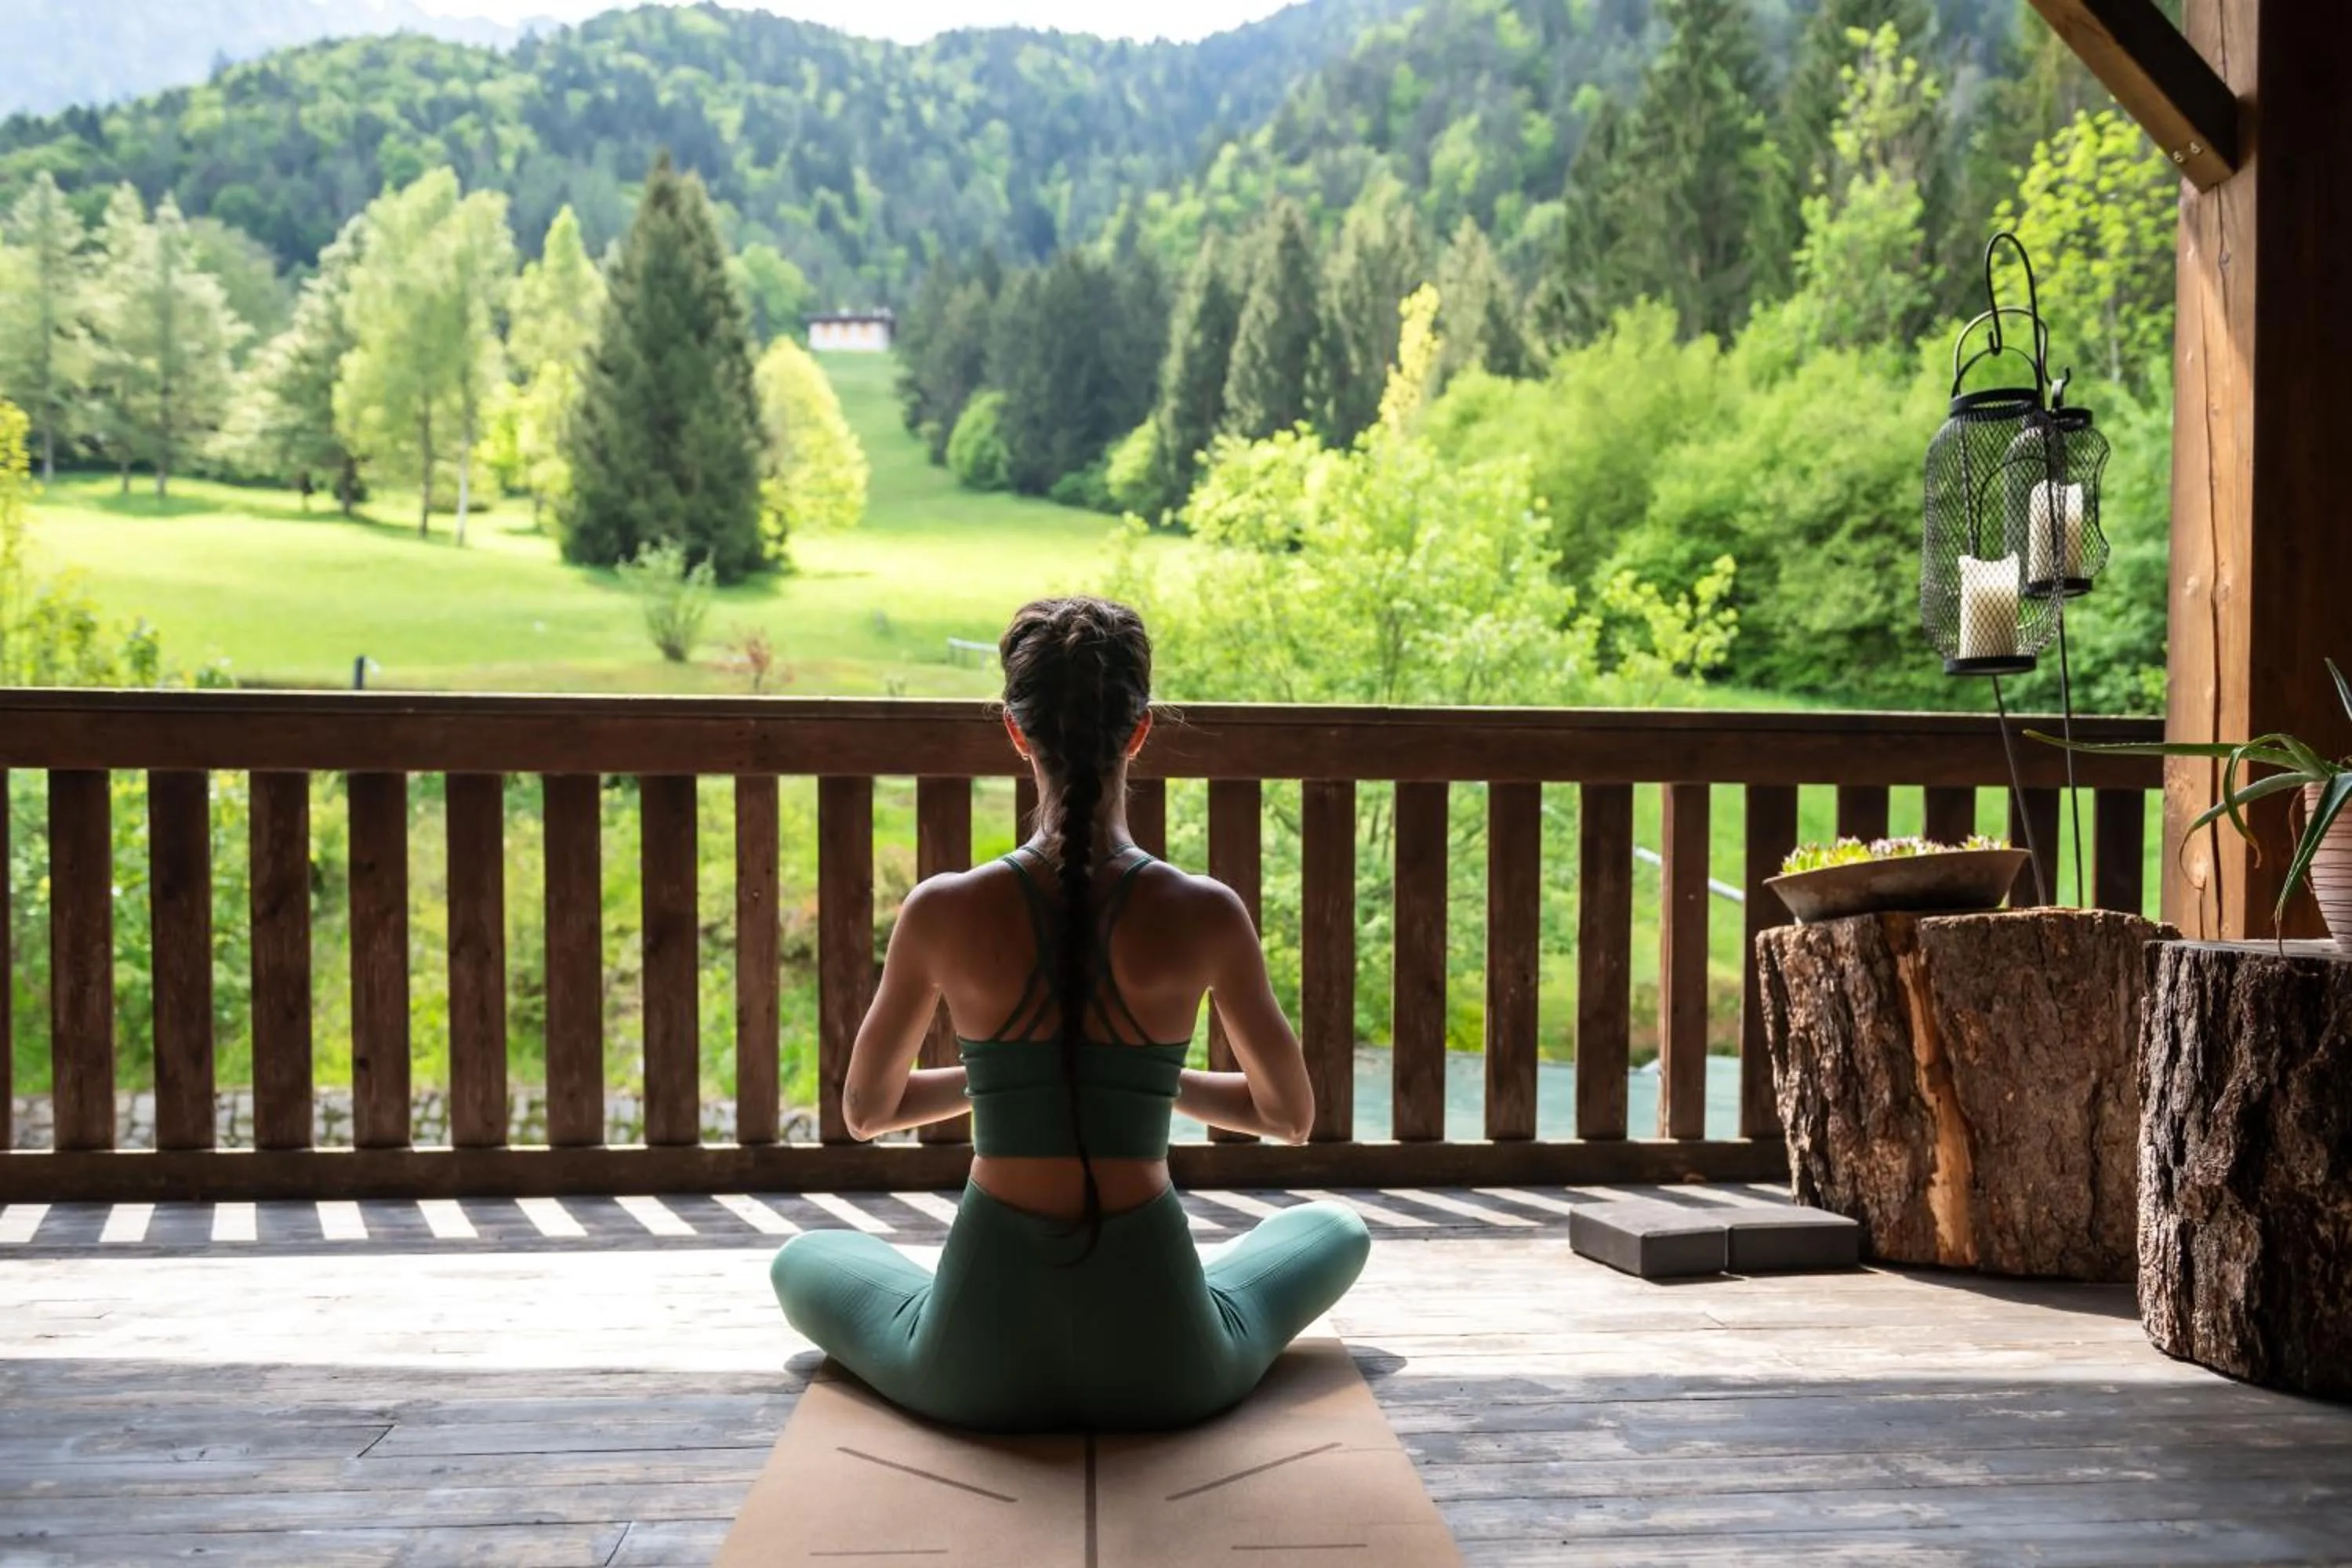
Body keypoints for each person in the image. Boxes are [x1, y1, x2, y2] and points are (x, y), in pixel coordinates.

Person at [770, 595, 1370, 1432]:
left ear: (1016, 730)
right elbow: (1289, 1115)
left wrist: (1019, 1081)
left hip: (973, 1362)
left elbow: (868, 1111)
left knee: (804, 1257)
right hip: (1169, 1362)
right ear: (1140, 731)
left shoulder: (944, 907)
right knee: (1336, 1228)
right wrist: (1133, 1082)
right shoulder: (1207, 911)